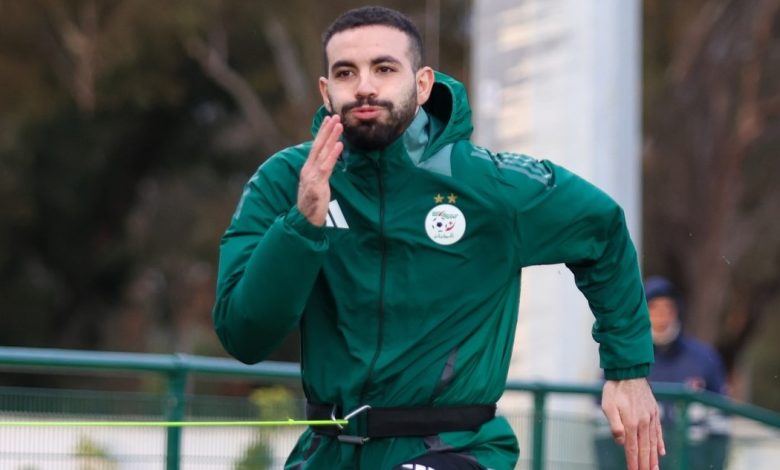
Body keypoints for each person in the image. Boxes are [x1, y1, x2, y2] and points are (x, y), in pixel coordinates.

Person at [212, 6, 664, 470]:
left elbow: (604, 229)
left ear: (423, 84)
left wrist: (627, 371)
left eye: (384, 69)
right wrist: (301, 224)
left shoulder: (492, 185)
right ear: (327, 92)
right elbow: (244, 337)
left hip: (452, 448)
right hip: (328, 452)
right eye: (346, 73)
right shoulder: (286, 181)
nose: (365, 86)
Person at [595, 276, 729, 469]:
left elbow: (720, 426)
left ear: (677, 312)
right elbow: (603, 425)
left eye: (668, 308)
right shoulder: (624, 359)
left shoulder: (704, 359)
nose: (661, 315)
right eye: (654, 308)